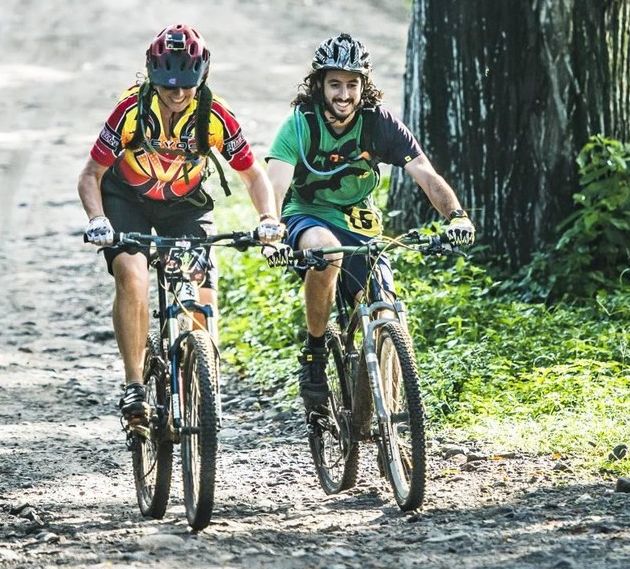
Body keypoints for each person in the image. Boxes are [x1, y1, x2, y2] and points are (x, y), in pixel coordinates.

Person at [79, 24, 285, 429]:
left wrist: (268, 219)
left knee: (200, 288)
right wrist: (98, 220)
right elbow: (91, 175)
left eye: (187, 86)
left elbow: (253, 176)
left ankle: (202, 376)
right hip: (127, 201)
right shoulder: (130, 110)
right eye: (167, 87)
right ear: (152, 78)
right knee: (132, 274)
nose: (177, 95)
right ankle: (134, 385)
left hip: (183, 205)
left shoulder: (214, 114)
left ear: (202, 78)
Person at [264, 32, 475, 411]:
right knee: (326, 252)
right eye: (335, 84)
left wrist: (456, 216)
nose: (344, 94)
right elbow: (276, 184)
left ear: (364, 86)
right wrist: (272, 234)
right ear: (319, 85)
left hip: (359, 223)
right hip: (307, 215)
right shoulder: (299, 124)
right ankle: (314, 354)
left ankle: (386, 422)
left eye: (352, 84)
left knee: (386, 312)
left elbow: (426, 173)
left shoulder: (378, 124)